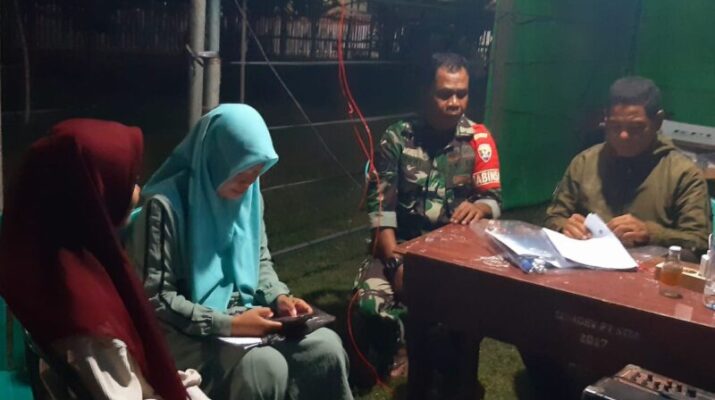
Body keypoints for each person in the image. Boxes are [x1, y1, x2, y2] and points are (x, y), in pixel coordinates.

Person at [126, 104, 353, 400]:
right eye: (241, 173)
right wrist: (230, 325)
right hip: (188, 333)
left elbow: (260, 261)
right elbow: (157, 299)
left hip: (246, 317)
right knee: (264, 367)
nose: (248, 184)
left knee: (326, 347)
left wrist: (279, 297)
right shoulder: (165, 207)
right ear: (216, 158)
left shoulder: (248, 195)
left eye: (256, 174)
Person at [0, 119, 207, 400]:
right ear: (90, 193)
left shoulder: (67, 269)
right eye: (129, 180)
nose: (138, 191)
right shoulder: (87, 315)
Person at [354, 52, 501, 393]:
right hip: (400, 249)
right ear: (425, 93)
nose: (455, 103)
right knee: (370, 302)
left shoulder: (479, 139)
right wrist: (396, 263)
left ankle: (442, 356)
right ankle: (397, 343)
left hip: (455, 259)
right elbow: (382, 212)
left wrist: (481, 207)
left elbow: (494, 199)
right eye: (444, 94)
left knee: (463, 318)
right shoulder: (397, 138)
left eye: (462, 94)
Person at [545, 76, 711, 255]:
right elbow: (553, 218)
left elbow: (699, 242)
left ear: (657, 122)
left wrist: (651, 233)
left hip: (649, 268)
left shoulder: (683, 174)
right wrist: (565, 226)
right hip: (586, 263)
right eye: (615, 126)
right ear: (606, 119)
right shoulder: (586, 162)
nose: (623, 136)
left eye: (636, 128)